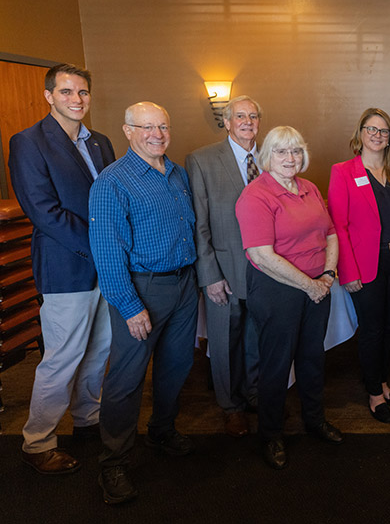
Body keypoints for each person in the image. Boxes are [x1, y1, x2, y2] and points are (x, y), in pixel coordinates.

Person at [9, 63, 115, 475]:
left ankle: (88, 420)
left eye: (83, 92)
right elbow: (43, 212)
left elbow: (107, 202)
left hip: (106, 267)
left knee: (99, 350)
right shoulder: (28, 142)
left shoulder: (100, 142)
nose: (77, 100)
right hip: (65, 266)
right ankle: (38, 442)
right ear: (50, 95)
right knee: (63, 356)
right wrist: (101, 246)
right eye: (68, 92)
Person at [89, 102, 198, 504]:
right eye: (147, 127)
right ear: (127, 130)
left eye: (163, 126)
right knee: (127, 378)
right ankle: (114, 463)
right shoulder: (111, 182)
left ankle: (162, 430)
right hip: (142, 290)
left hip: (184, 284)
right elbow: (106, 250)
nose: (157, 134)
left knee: (177, 364)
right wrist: (130, 305)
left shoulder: (177, 174)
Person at [236, 126, 343, 470]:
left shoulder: (309, 187)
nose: (290, 158)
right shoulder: (255, 195)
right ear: (268, 155)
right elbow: (262, 255)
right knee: (276, 365)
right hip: (277, 290)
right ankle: (270, 435)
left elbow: (330, 233)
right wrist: (309, 285)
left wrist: (327, 275)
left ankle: (315, 420)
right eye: (282, 152)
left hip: (317, 286)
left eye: (296, 151)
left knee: (313, 358)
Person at [328, 108, 390, 424]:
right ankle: (373, 392)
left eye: (383, 131)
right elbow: (338, 226)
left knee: (389, 326)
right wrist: (348, 272)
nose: (377, 135)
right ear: (360, 134)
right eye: (371, 129)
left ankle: (384, 383)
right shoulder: (343, 171)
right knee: (372, 329)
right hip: (364, 265)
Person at [186, 95, 263, 438]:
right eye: (240, 116)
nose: (247, 121)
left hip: (266, 271)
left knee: (256, 338)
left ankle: (254, 393)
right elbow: (199, 225)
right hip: (225, 271)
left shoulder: (272, 156)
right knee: (224, 341)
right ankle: (230, 406)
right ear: (227, 122)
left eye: (253, 116)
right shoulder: (201, 160)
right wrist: (210, 276)